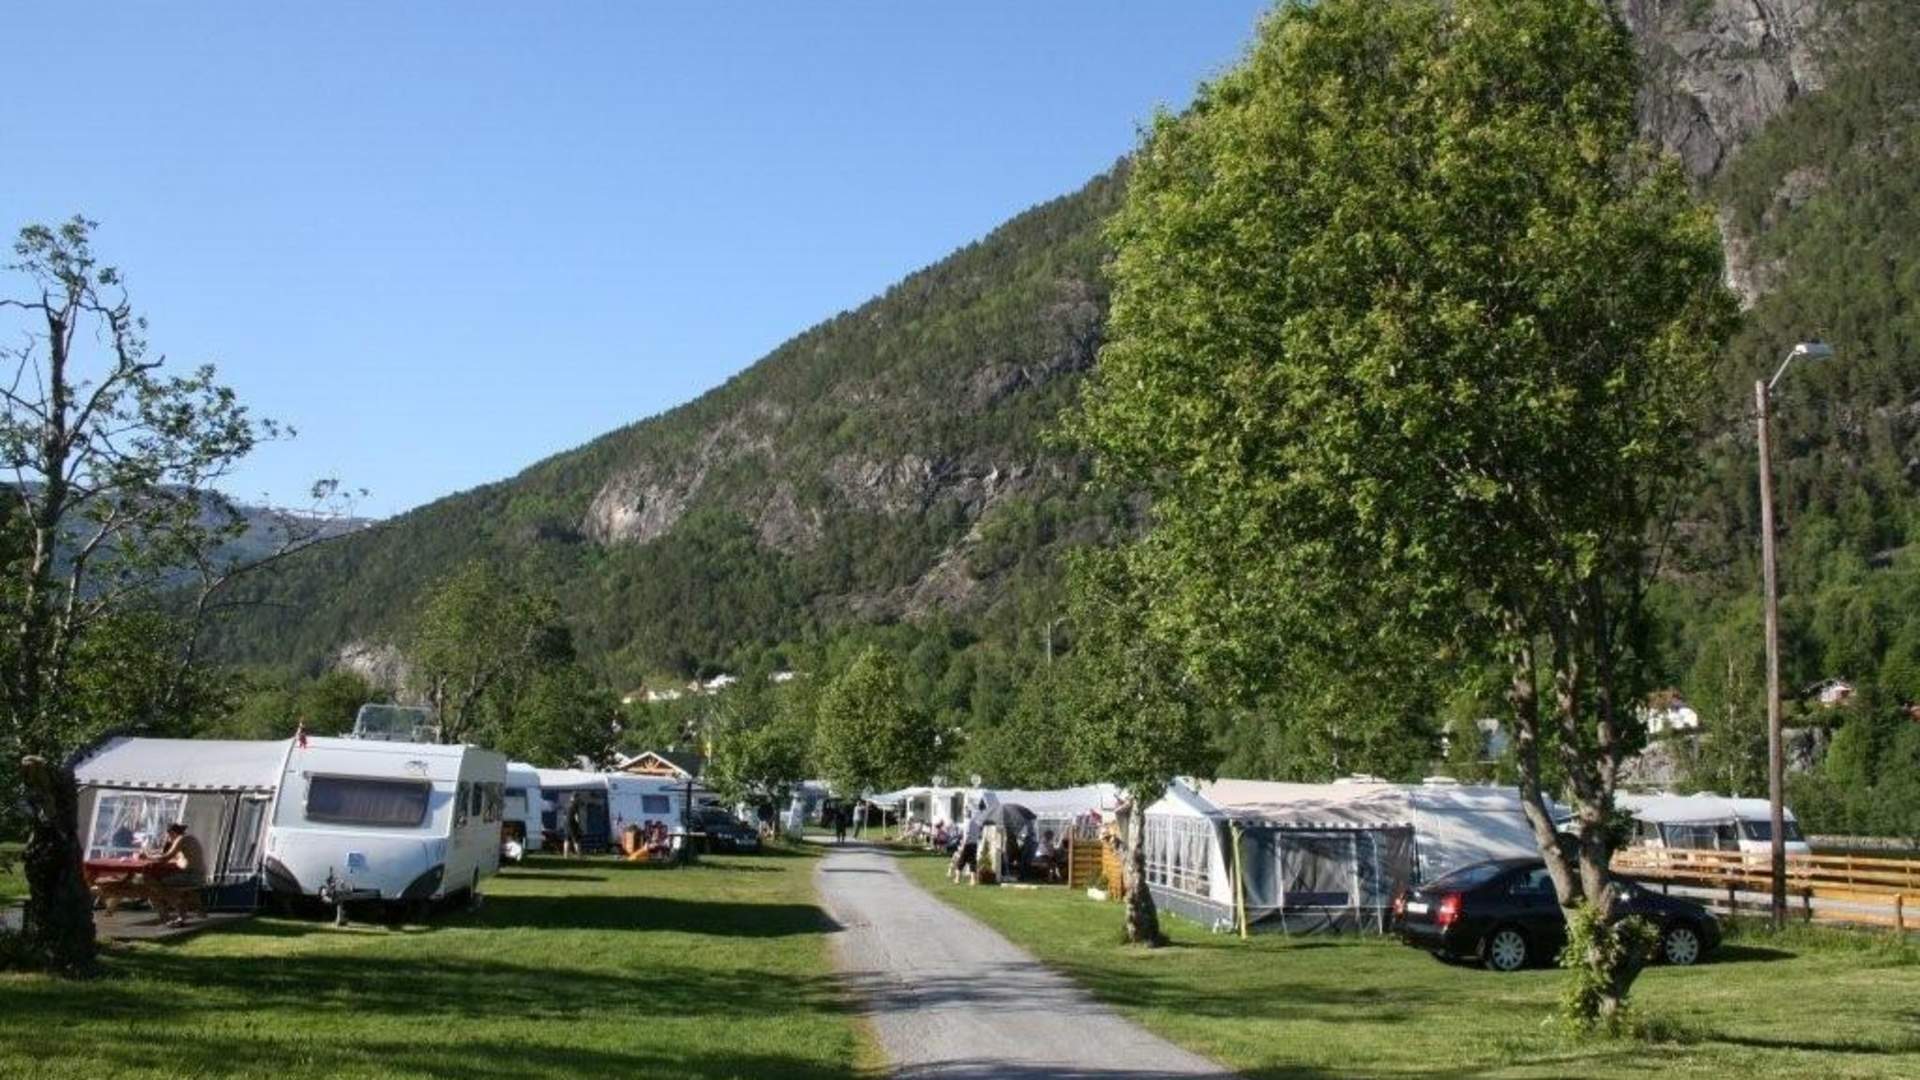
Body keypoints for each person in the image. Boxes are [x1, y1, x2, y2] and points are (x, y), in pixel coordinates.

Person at [149, 823, 205, 928]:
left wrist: (148, 857)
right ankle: (176, 906)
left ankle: (177, 907)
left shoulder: (180, 839)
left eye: (168, 835)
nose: (168, 838)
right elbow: (171, 855)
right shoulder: (190, 838)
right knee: (159, 883)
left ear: (172, 833)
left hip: (191, 877)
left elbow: (165, 857)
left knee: (156, 883)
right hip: (198, 875)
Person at [950, 802, 985, 885]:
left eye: (965, 812)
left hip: (967, 844)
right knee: (973, 862)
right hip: (974, 844)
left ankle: (957, 879)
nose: (964, 813)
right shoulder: (977, 823)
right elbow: (979, 834)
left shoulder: (967, 822)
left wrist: (962, 845)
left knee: (961, 861)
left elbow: (966, 835)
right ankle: (973, 880)